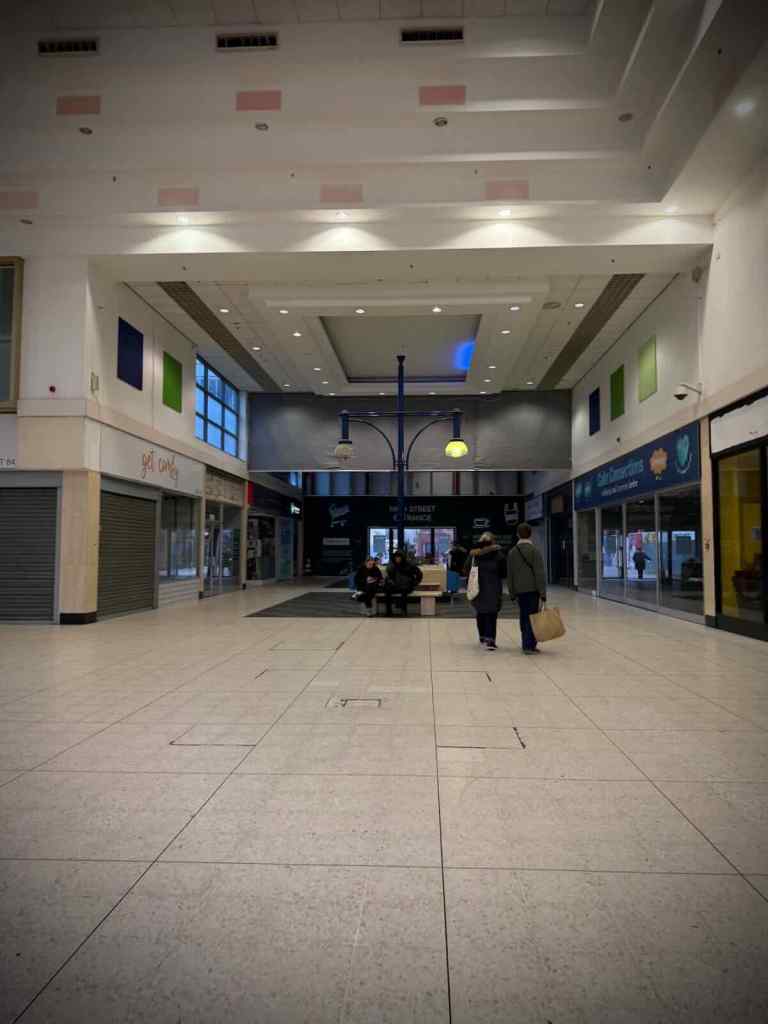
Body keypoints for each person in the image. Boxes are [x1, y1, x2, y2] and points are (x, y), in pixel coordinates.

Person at [507, 522, 547, 655]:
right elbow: (539, 573)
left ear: (518, 535)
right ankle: (529, 645)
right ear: (530, 534)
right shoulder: (534, 551)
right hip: (532, 590)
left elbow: (510, 574)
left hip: (519, 591)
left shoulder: (512, 552)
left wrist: (512, 592)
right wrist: (543, 593)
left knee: (524, 617)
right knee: (533, 617)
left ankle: (526, 644)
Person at [465, 532, 507, 650]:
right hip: (493, 588)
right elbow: (504, 573)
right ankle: (490, 640)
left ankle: (482, 636)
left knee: (480, 612)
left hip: (477, 588)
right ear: (492, 542)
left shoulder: (474, 555)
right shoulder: (499, 555)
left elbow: (466, 569)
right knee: (492, 613)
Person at [384, 550, 422, 616]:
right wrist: (389, 581)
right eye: (396, 557)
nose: (397, 559)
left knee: (404, 591)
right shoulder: (392, 565)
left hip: (406, 585)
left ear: (402, 558)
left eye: (399, 557)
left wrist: (415, 583)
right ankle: (388, 611)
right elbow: (389, 576)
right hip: (395, 585)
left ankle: (403, 610)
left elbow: (419, 573)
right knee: (387, 591)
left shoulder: (408, 564)